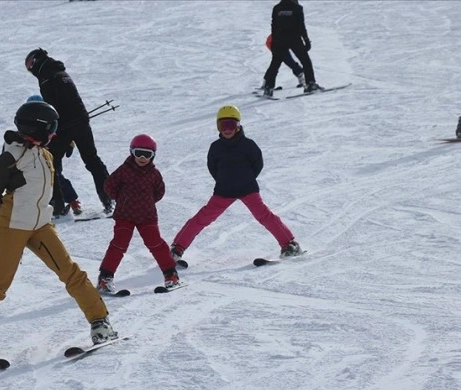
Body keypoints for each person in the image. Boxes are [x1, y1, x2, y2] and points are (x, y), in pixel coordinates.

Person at [0, 100, 117, 361]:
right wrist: (2, 223)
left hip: (41, 224)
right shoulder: (12, 155)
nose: (54, 133)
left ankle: (100, 322)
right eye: (51, 128)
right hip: (13, 224)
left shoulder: (45, 154)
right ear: (39, 128)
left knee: (71, 272)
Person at [170, 105, 303, 266]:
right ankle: (176, 249)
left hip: (247, 188)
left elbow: (257, 164)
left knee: (264, 216)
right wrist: (224, 180)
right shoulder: (216, 147)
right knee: (201, 218)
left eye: (231, 125)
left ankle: (289, 244)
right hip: (224, 191)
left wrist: (245, 179)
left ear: (238, 125)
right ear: (218, 127)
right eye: (223, 125)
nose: (227, 130)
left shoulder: (248, 145)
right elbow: (212, 167)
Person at [25, 48, 113, 216]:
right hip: (81, 121)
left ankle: (57, 205)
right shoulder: (59, 71)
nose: (30, 70)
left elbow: (53, 107)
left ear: (36, 62)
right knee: (92, 159)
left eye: (30, 65)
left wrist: (49, 132)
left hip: (65, 126)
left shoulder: (47, 76)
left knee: (53, 164)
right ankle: (110, 198)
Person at [97, 134, 180, 293]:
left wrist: (147, 201)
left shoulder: (154, 174)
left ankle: (171, 274)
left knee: (156, 244)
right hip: (124, 216)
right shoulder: (124, 170)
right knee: (118, 245)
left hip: (147, 217)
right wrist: (121, 198)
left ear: (153, 155)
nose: (142, 158)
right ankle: (105, 278)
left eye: (147, 154)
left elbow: (159, 191)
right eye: (138, 153)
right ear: (131, 152)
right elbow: (109, 186)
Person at [26, 95, 83, 215]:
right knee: (41, 180)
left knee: (57, 177)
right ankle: (50, 205)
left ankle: (72, 201)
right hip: (36, 155)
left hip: (53, 154)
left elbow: (63, 135)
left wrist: (69, 144)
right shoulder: (28, 123)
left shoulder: (51, 121)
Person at [261, 0, 321, 97]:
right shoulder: (297, 8)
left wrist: (275, 41)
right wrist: (306, 40)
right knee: (305, 61)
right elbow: (301, 26)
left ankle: (268, 88)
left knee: (275, 64)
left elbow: (274, 26)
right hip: (294, 39)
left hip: (280, 40)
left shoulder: (277, 8)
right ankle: (311, 84)